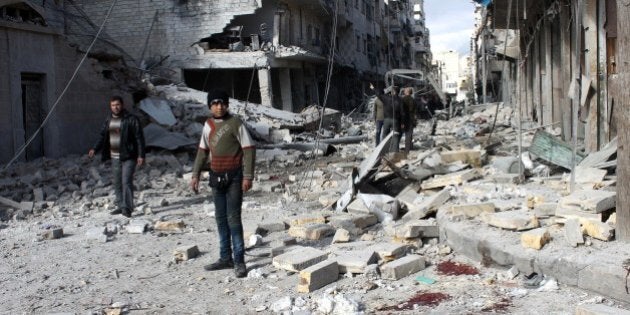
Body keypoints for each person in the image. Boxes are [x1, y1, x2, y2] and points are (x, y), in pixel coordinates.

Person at [190, 89, 256, 278]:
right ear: (210, 106)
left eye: (222, 103)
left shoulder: (235, 123)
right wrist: (195, 175)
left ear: (227, 105)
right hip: (216, 177)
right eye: (215, 103)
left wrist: (248, 176)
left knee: (233, 219)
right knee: (220, 218)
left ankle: (239, 261)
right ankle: (225, 257)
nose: (219, 107)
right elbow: (202, 151)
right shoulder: (208, 125)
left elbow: (249, 149)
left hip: (234, 177)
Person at [88, 96, 145, 218]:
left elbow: (139, 138)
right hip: (114, 157)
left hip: (129, 156)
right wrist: (95, 149)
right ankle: (120, 205)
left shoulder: (131, 119)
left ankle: (128, 208)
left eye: (118, 104)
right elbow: (102, 136)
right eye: (113, 105)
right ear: (110, 106)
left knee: (126, 181)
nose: (116, 107)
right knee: (117, 183)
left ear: (122, 105)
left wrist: (141, 155)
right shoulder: (109, 119)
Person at [381, 86, 402, 152]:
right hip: (395, 120)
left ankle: (384, 149)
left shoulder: (387, 98)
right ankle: (395, 151)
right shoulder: (400, 100)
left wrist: (373, 88)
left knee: (385, 135)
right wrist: (402, 122)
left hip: (387, 119)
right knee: (395, 135)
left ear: (393, 91)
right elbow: (402, 112)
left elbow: (379, 94)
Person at [401, 87, 417, 155]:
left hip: (404, 119)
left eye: (404, 91)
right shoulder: (413, 100)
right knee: (409, 134)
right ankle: (410, 147)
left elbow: (401, 110)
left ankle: (407, 150)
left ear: (407, 92)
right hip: (411, 118)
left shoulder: (403, 99)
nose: (404, 92)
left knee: (406, 134)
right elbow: (415, 111)